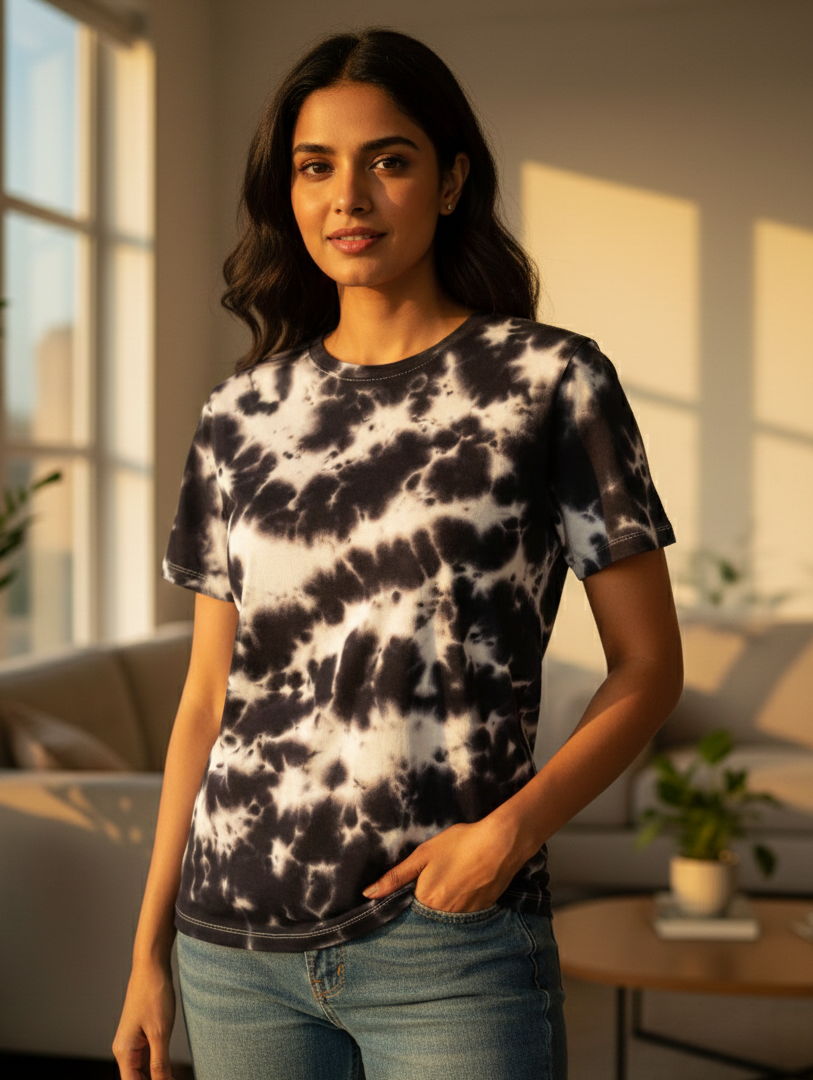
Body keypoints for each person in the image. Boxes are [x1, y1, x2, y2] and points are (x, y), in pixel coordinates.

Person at [113, 26, 683, 1080]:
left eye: (389, 160)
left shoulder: (549, 383)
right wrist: (147, 951)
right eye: (315, 167)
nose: (349, 198)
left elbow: (650, 669)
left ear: (452, 178)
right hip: (233, 949)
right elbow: (206, 700)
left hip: (449, 944)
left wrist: (508, 835)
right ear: (288, 193)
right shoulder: (238, 415)